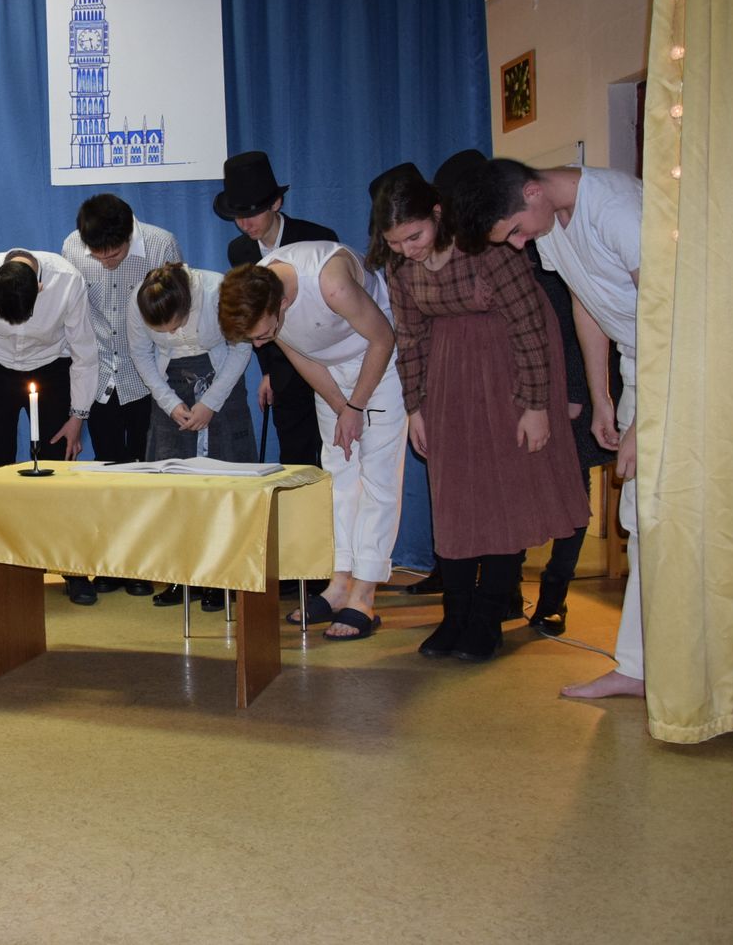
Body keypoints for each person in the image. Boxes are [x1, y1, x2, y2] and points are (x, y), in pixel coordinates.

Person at [368, 165, 589, 661]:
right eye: (395, 242)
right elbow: (411, 338)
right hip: (449, 376)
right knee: (455, 499)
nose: (406, 249)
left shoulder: (485, 247)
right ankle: (455, 615)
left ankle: (488, 617)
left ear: (438, 213)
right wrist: (416, 408)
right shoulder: (400, 267)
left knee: (502, 497)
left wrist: (536, 405)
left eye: (414, 236)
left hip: (508, 370)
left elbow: (530, 325)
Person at [450, 158, 644, 699]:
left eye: (515, 231)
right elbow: (585, 304)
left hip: (684, 366)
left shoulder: (618, 210)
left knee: (664, 519)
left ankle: (673, 669)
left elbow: (670, 317)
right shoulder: (550, 223)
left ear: (532, 192)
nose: (518, 245)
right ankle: (637, 667)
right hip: (639, 365)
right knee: (642, 521)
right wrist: (603, 396)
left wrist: (645, 419)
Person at [218, 242, 408, 640]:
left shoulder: (330, 282)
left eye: (262, 335)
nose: (259, 345)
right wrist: (341, 406)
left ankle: (364, 594)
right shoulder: (262, 289)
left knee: (378, 477)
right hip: (330, 374)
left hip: (379, 364)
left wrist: (356, 406)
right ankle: (339, 584)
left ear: (283, 303)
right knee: (339, 476)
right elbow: (302, 356)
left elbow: (383, 339)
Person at [217, 151, 337, 601]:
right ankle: (299, 565)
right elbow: (253, 315)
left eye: (252, 212)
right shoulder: (239, 251)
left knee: (333, 462)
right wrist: (266, 370)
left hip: (329, 362)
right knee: (297, 461)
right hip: (284, 369)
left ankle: (335, 565)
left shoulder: (316, 237)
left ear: (276, 203)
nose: (246, 223)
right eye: (238, 215)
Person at [0, 248, 97, 604]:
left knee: (58, 470)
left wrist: (77, 416)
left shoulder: (67, 281)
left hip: (50, 367)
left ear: (41, 288)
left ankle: (71, 566)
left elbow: (84, 350)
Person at [60, 193, 181, 598]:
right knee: (110, 471)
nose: (105, 260)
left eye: (113, 253)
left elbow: (176, 314)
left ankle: (143, 564)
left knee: (147, 470)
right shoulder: (71, 247)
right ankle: (114, 562)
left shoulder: (161, 245)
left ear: (130, 233)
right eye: (97, 254)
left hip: (148, 377)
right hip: (99, 377)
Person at [128, 263, 255, 611]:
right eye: (162, 330)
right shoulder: (138, 301)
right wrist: (169, 403)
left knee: (222, 485)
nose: (171, 332)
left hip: (221, 382)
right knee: (175, 487)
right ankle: (182, 575)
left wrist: (211, 402)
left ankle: (221, 578)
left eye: (176, 325)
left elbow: (241, 348)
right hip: (170, 387)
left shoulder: (217, 292)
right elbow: (141, 354)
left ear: (187, 303)